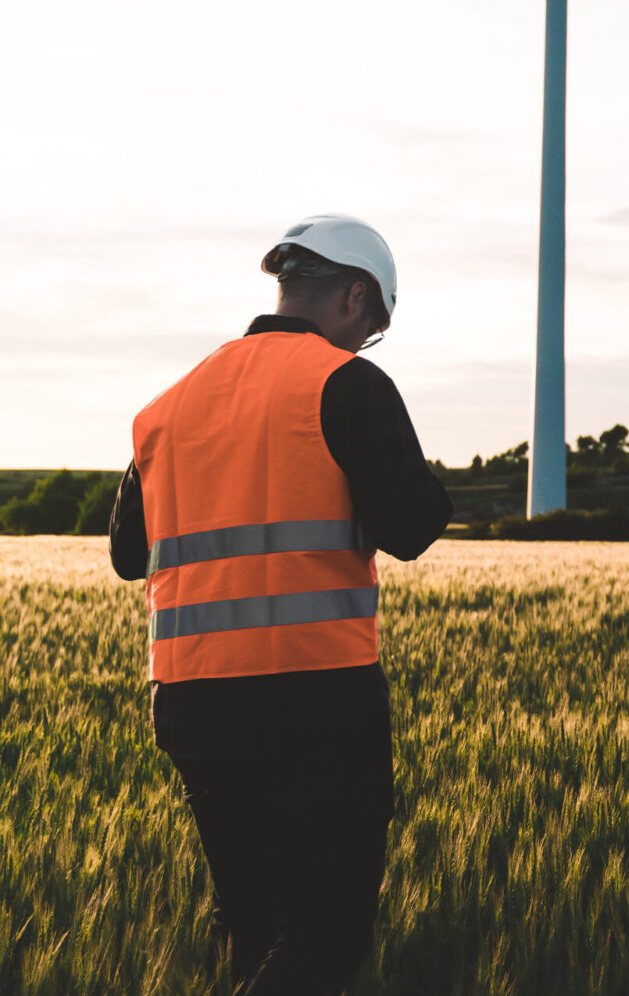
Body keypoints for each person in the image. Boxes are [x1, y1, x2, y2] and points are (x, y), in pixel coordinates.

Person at [108, 214, 453, 994]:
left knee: (250, 918)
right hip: (316, 698)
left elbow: (130, 557)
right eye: (372, 327)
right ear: (354, 297)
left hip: (190, 702)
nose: (365, 344)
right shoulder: (346, 382)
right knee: (326, 936)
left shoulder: (166, 406)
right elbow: (408, 529)